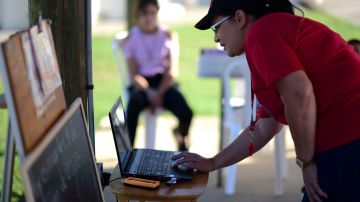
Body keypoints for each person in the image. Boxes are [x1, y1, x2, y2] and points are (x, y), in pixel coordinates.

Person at [172, 0, 360, 201]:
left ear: (240, 18)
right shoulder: (267, 31)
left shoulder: (261, 32)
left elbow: (299, 95)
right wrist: (212, 163)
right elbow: (265, 126)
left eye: (217, 27)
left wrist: (307, 162)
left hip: (348, 134)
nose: (216, 37)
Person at [122, 0, 193, 151]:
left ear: (157, 14)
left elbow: (172, 73)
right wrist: (150, 93)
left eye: (152, 13)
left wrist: (159, 93)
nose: (149, 17)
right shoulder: (131, 37)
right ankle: (127, 153)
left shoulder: (167, 35)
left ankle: (180, 134)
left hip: (163, 82)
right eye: (144, 13)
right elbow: (133, 75)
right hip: (142, 84)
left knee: (186, 112)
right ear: (137, 15)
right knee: (133, 106)